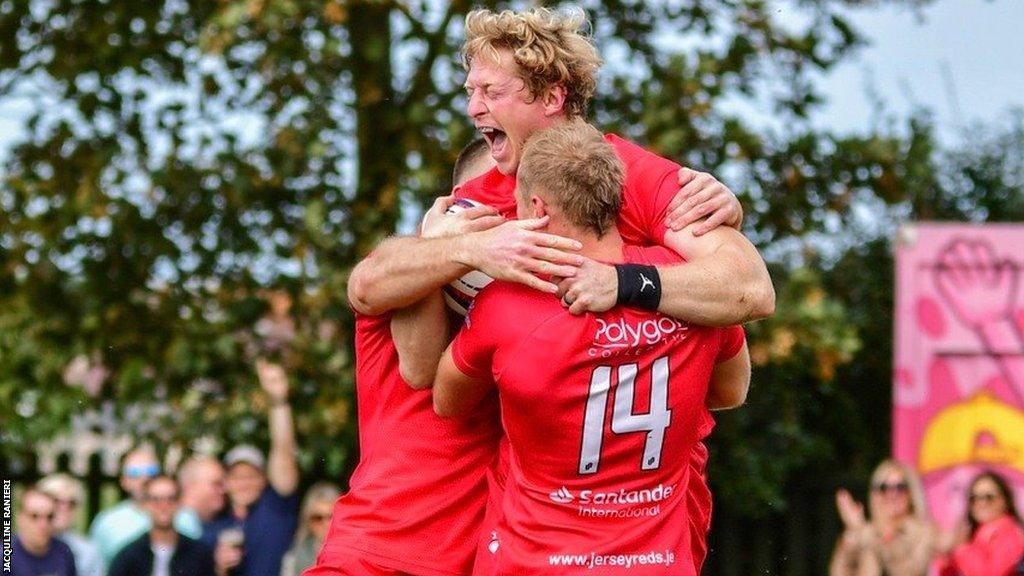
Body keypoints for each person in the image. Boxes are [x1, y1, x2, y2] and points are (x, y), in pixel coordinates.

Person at [346, 7, 773, 575]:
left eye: (491, 90)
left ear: (552, 95)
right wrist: (457, 250)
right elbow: (408, 348)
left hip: (646, 521)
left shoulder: (636, 177)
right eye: (469, 89)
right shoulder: (474, 201)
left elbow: (751, 289)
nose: (473, 106)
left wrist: (622, 282)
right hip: (544, 530)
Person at [433, 120, 751, 574]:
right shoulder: (690, 285)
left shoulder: (506, 307)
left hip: (536, 561)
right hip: (655, 562)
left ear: (537, 206)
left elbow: (449, 400)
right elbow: (731, 390)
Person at [305, 140, 507, 576]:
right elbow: (417, 367)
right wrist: (450, 247)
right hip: (373, 555)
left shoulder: (532, 295)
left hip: (476, 561)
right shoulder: (399, 264)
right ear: (456, 204)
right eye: (495, 191)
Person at [207, 359, 300, 576]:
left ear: (264, 480)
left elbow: (283, 452)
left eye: (251, 475)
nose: (244, 483)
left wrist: (278, 402)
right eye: (237, 476)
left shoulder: (276, 509)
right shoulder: (213, 528)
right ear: (226, 483)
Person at [89, 445, 201, 567]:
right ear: (123, 481)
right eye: (134, 473)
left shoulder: (186, 517)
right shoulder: (107, 522)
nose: (144, 478)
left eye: (151, 471)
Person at [830, 460, 935, 576]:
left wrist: (864, 533)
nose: (892, 494)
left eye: (900, 487)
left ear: (911, 493)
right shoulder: (866, 531)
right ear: (875, 494)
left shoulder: (922, 533)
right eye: (884, 488)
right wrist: (852, 535)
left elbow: (906, 572)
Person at [107, 475, 216, 576]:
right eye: (156, 500)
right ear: (145, 504)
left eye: (171, 499)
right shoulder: (127, 557)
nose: (163, 506)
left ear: (180, 503)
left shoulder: (200, 555)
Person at [935, 470, 1024, 576]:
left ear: (1005, 500)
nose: (980, 503)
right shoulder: (974, 535)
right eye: (974, 498)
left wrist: (961, 548)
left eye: (989, 497)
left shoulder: (1011, 534)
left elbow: (991, 573)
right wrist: (945, 556)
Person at [37, 473, 103, 576]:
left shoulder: (87, 551)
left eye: (71, 503)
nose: (64, 508)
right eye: (56, 501)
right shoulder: (20, 546)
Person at [12, 486, 77, 576]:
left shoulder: (64, 552)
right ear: (20, 518)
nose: (43, 524)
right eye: (34, 516)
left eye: (49, 517)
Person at [279, 483, 341, 576]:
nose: (326, 524)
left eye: (332, 516)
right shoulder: (294, 558)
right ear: (308, 521)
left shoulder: (354, 554)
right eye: (318, 518)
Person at [177, 454, 227, 544]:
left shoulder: (209, 524)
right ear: (191, 486)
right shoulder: (178, 528)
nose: (224, 490)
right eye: (216, 484)